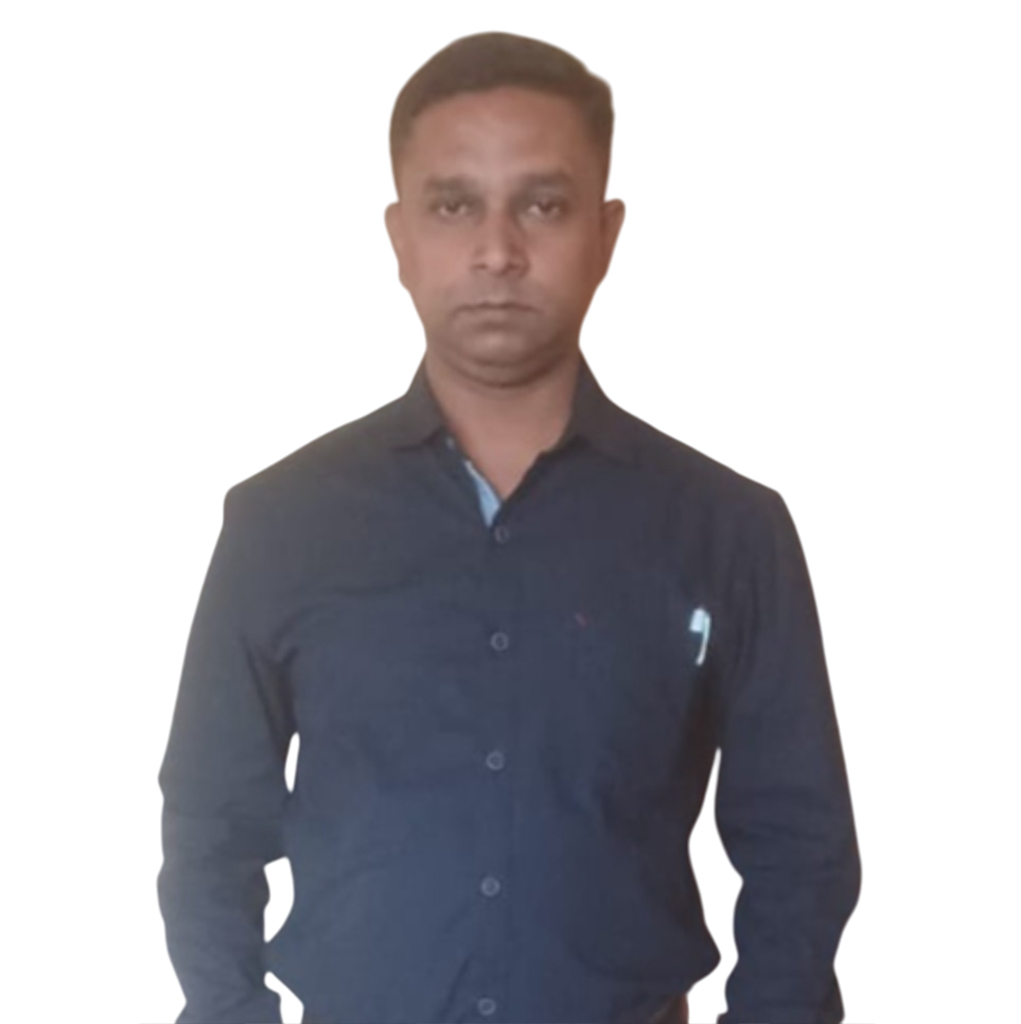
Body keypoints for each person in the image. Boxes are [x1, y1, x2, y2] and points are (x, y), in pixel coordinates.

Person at [157, 31, 860, 1024]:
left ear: (606, 234)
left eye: (543, 204)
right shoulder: (281, 525)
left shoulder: (728, 532)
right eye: (454, 206)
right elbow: (208, 828)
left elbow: (800, 848)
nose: (497, 251)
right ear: (400, 239)